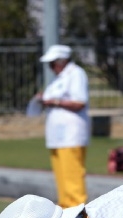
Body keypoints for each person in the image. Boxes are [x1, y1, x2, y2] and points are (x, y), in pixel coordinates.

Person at [35, 44, 90, 209]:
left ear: (62, 61)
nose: (50, 67)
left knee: (72, 177)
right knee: (62, 177)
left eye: (52, 63)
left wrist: (54, 102)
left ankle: (78, 212)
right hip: (57, 135)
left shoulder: (76, 74)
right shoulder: (59, 78)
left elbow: (79, 102)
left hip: (71, 134)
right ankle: (65, 209)